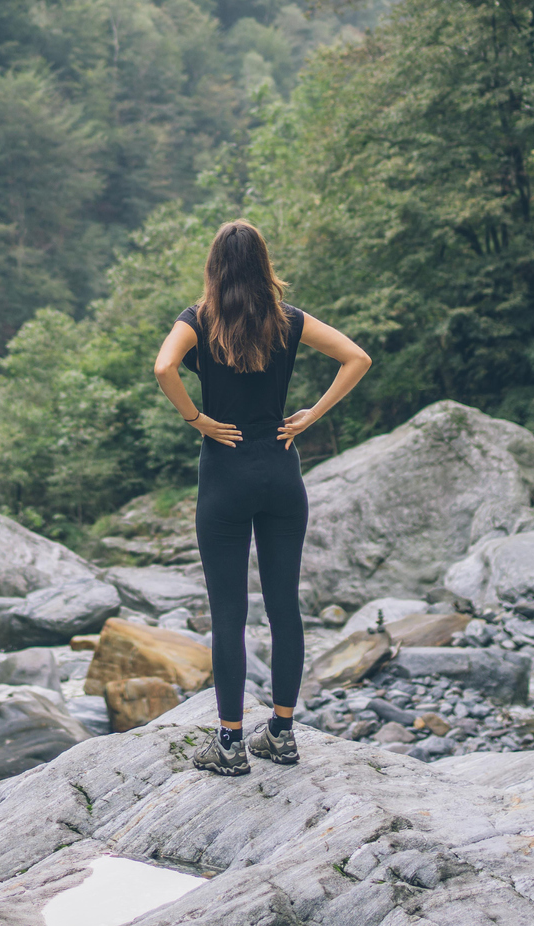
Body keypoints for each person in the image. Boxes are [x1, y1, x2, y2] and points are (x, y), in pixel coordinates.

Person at [153, 219, 371, 775]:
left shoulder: (197, 320)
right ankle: (281, 733)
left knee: (229, 614)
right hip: (280, 474)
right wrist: (311, 416)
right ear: (263, 264)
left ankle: (228, 745)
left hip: (224, 478)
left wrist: (198, 419)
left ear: (214, 268)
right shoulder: (288, 321)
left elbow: (162, 367)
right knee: (284, 610)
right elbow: (357, 358)